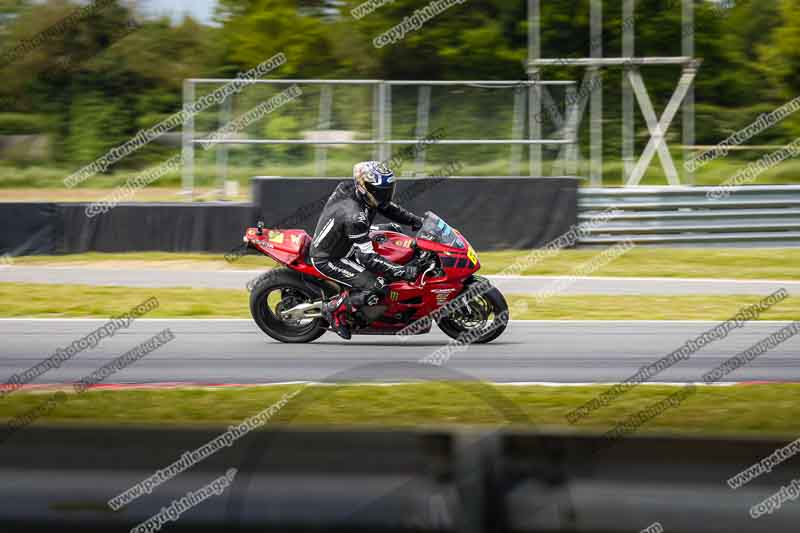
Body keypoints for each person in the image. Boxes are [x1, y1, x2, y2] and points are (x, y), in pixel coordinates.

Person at [309, 161, 424, 339]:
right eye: (380, 191)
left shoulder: (358, 191)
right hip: (331, 257)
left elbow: (387, 208)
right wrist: (402, 272)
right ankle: (332, 311)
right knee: (378, 287)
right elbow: (367, 257)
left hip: (348, 237)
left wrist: (416, 221)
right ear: (364, 188)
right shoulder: (355, 216)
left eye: (388, 189)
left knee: (394, 229)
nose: (384, 195)